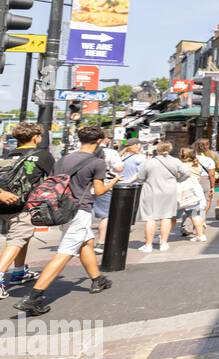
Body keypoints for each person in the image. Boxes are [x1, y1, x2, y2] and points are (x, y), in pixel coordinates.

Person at [15, 125, 115, 316]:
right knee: (66, 251)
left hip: (62, 209)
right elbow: (100, 191)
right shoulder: (97, 162)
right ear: (100, 141)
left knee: (85, 242)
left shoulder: (64, 159)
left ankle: (97, 279)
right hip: (80, 210)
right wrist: (114, 181)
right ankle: (34, 297)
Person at [0, 123, 55, 297]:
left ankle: (19, 272)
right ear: (35, 137)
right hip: (23, 205)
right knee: (17, 239)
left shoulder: (8, 155)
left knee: (23, 235)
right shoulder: (44, 156)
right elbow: (54, 180)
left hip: (3, 202)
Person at [136, 141, 188, 252]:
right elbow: (187, 173)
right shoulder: (175, 161)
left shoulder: (149, 162)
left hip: (151, 191)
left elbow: (140, 178)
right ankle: (163, 243)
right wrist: (178, 180)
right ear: (170, 149)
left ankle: (148, 245)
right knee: (166, 217)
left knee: (150, 218)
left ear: (157, 149)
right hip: (169, 191)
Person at [92, 141, 125, 254]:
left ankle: (81, 243)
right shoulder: (110, 152)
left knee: (83, 215)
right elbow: (119, 168)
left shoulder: (81, 152)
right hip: (104, 185)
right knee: (105, 216)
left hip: (84, 186)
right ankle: (100, 243)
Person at [177, 147, 210, 242]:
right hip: (196, 189)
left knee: (172, 215)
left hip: (184, 189)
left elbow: (178, 176)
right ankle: (200, 234)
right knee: (194, 213)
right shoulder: (197, 164)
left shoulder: (181, 165)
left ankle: (162, 236)